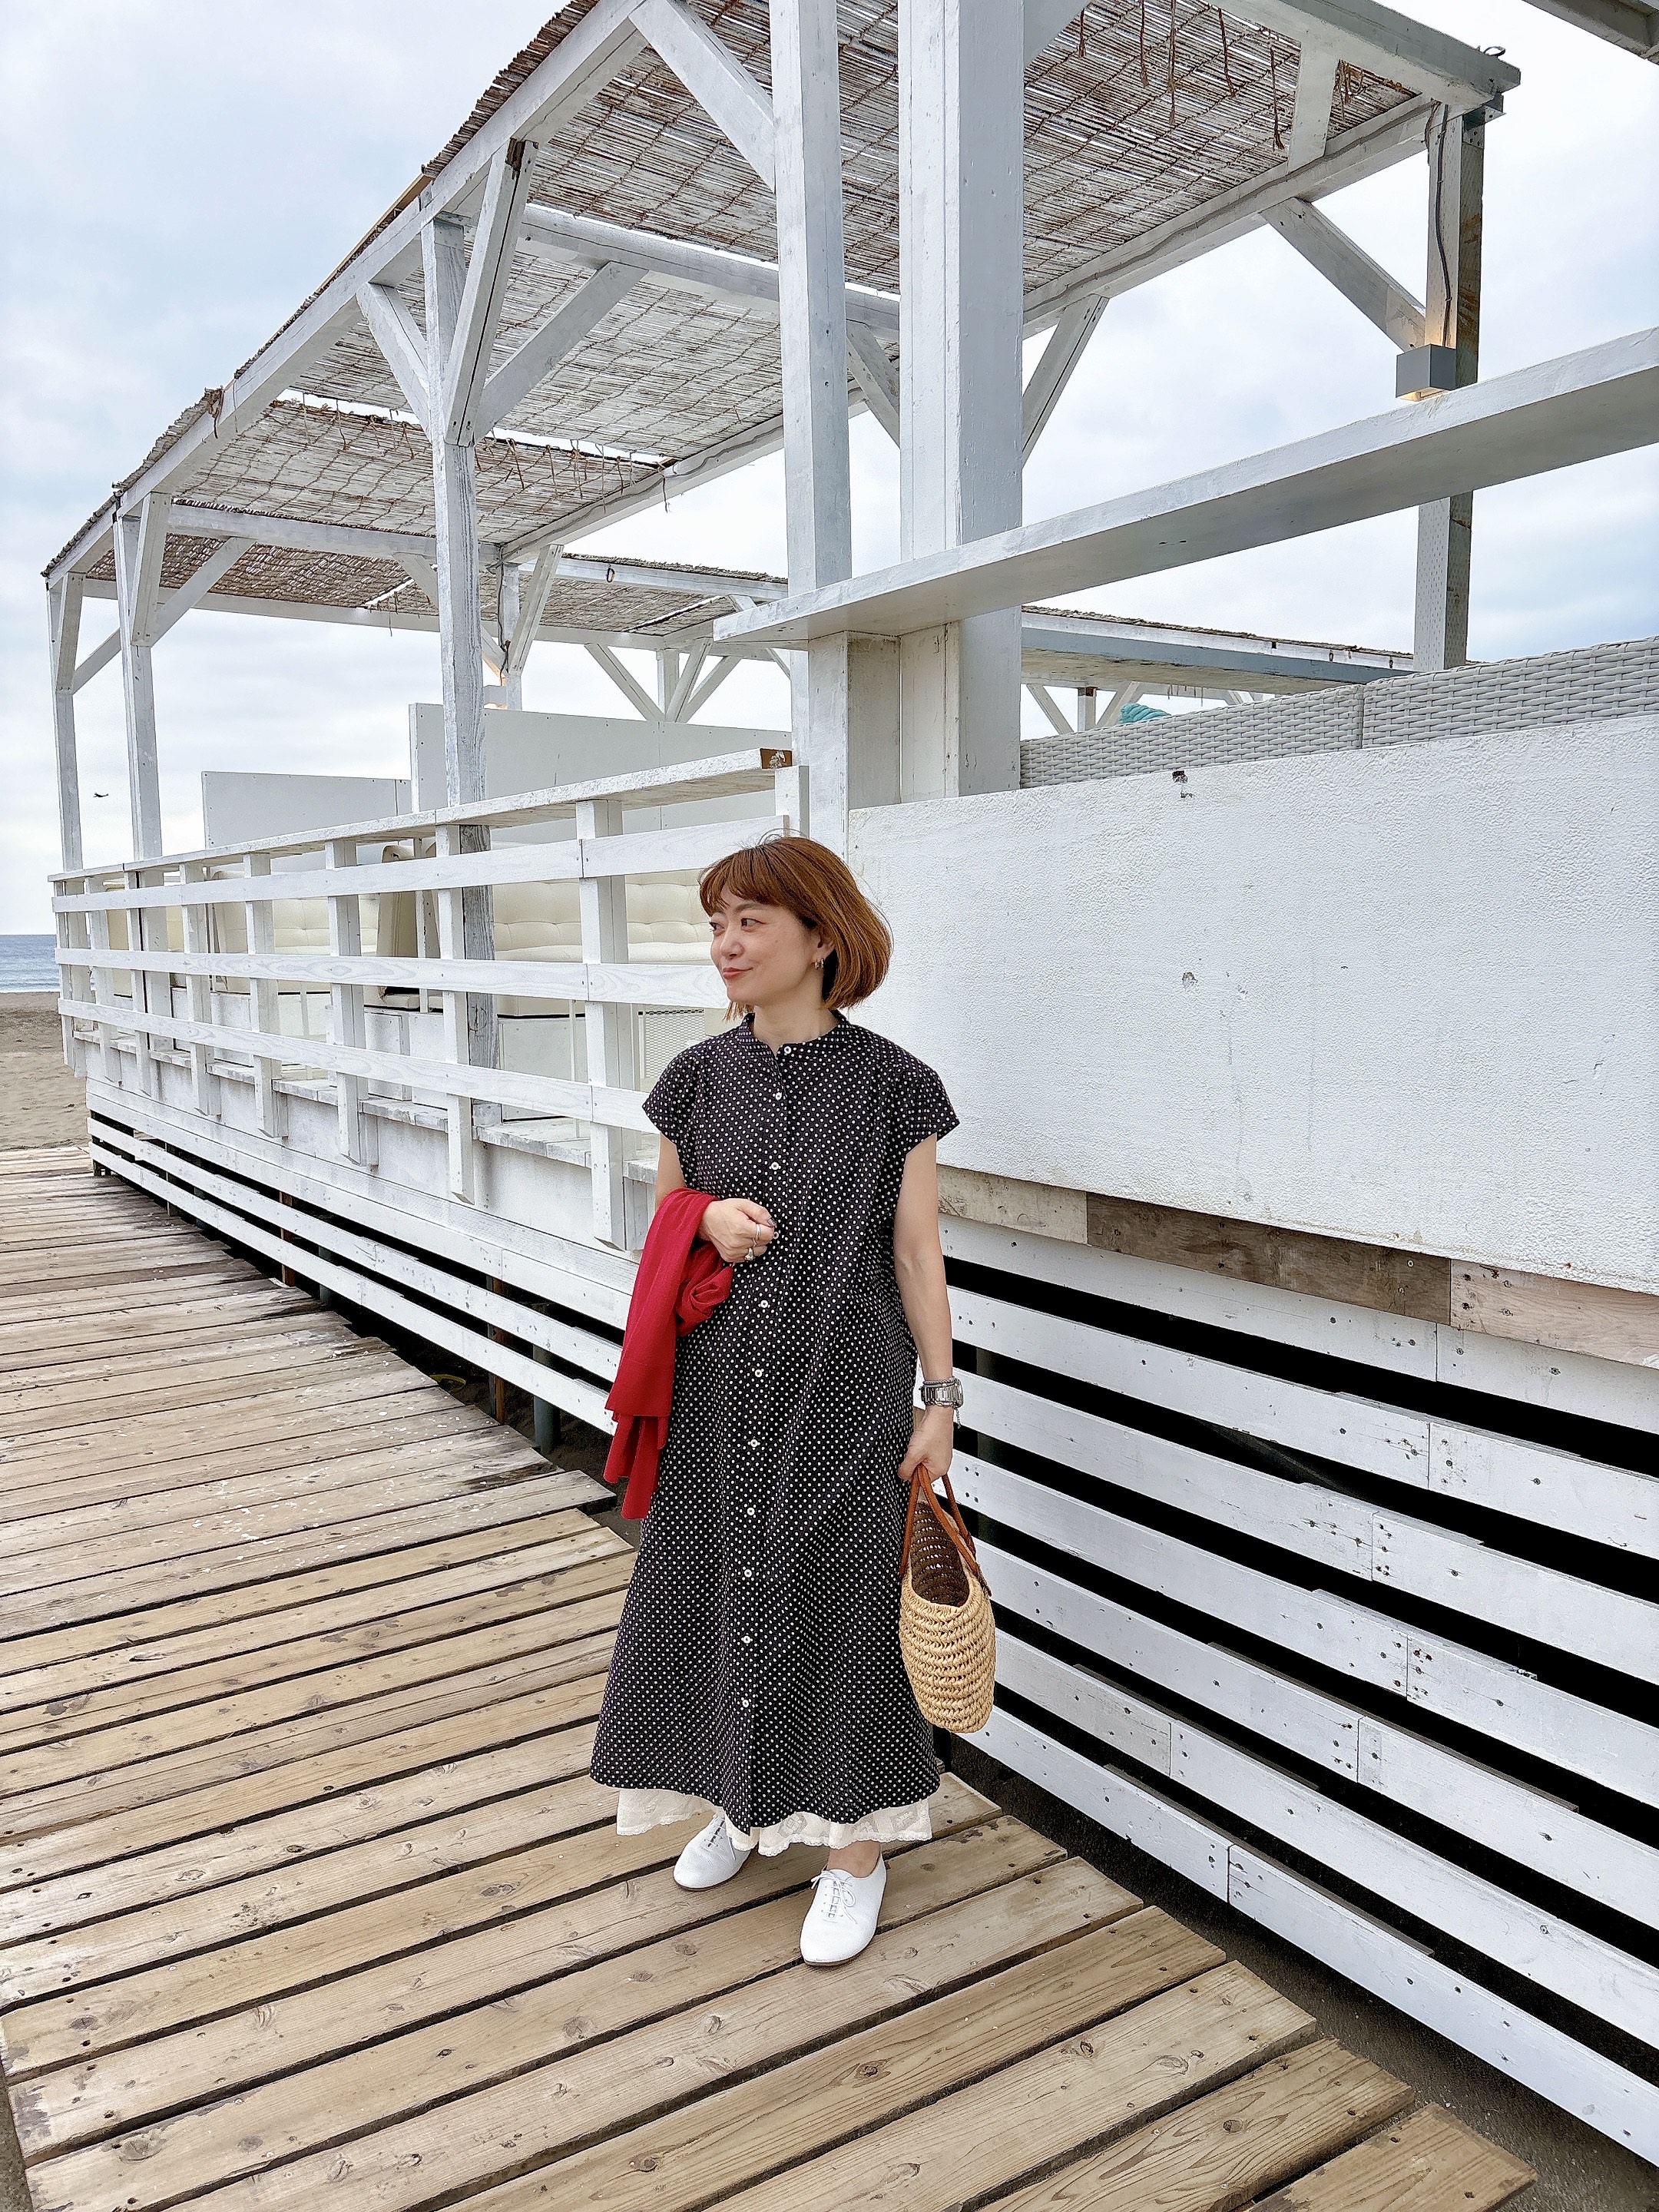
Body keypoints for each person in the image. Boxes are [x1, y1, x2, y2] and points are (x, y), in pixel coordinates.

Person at [589, 831, 963, 1966]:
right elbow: (660, 1229)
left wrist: (940, 1400)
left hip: (847, 1391)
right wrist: (701, 1218)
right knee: (713, 1592)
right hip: (717, 1392)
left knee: (845, 1608)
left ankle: (856, 1851)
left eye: (750, 922)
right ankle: (736, 1802)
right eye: (717, 924)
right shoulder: (695, 1080)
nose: (727, 945)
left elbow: (916, 1251)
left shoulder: (897, 1085)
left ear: (820, 936)